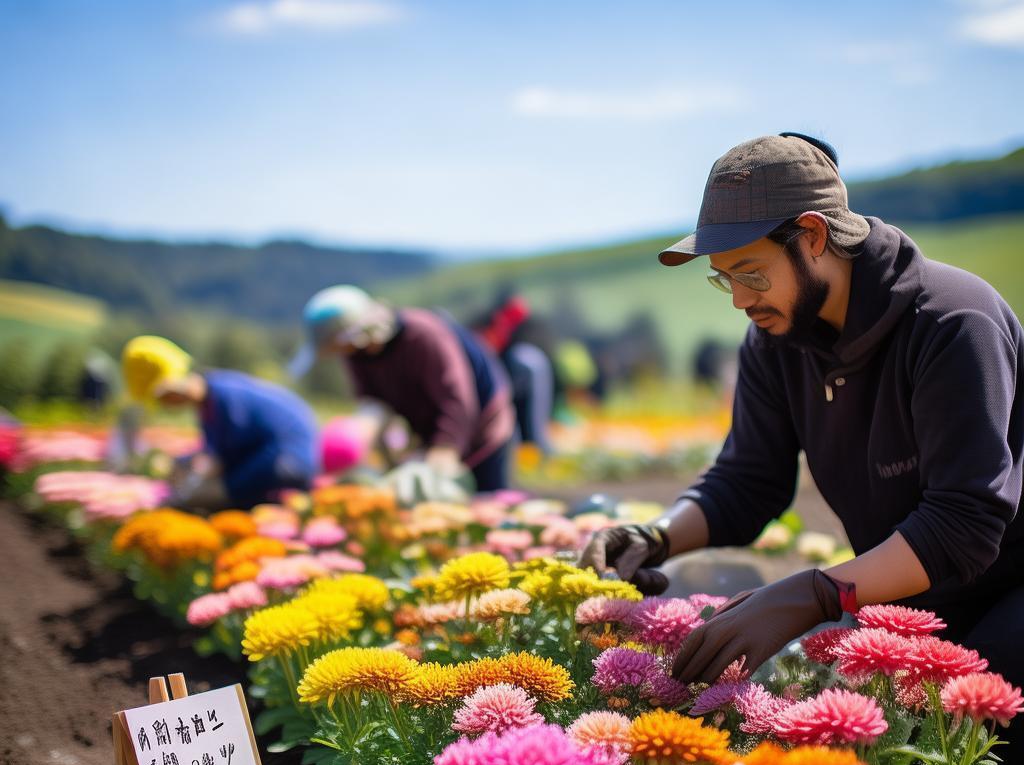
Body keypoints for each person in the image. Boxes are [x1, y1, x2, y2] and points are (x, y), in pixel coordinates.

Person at [580, 132, 1024, 700]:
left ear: (813, 236)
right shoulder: (776, 339)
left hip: (1007, 591)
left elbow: (963, 525)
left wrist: (815, 593)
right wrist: (655, 537)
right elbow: (749, 480)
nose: (739, 299)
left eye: (752, 273)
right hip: (908, 600)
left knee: (981, 736)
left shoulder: (953, 321)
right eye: (725, 278)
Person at [290, 285, 516, 498]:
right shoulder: (358, 355)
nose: (341, 354)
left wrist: (444, 452)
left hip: (482, 427)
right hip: (431, 431)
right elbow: (374, 405)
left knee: (486, 505)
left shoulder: (423, 334)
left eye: (339, 346)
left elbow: (456, 401)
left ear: (357, 334)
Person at [121, 335, 318, 510]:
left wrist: (186, 493)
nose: (166, 406)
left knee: (208, 498)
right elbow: (212, 453)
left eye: (162, 399)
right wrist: (183, 465)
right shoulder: (210, 402)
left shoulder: (225, 397)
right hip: (273, 456)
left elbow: (220, 461)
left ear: (173, 388)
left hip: (286, 457)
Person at [475, 291, 556, 455]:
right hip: (534, 363)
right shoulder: (520, 323)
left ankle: (520, 450)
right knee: (531, 417)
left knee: (512, 408)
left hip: (517, 364)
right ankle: (537, 448)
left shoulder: (499, 322)